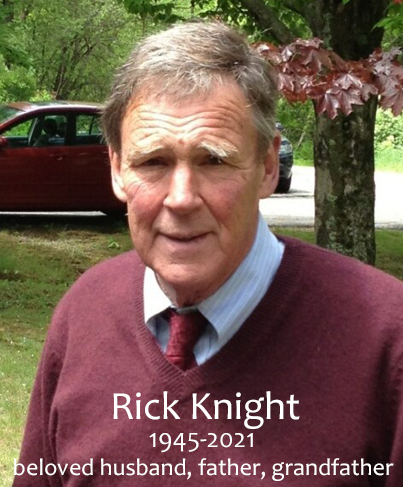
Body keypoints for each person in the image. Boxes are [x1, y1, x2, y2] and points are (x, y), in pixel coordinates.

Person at [14, 21, 403, 487]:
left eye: (214, 160)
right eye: (153, 162)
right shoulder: (84, 313)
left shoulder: (386, 339)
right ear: (117, 170)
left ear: (267, 166)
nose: (181, 198)